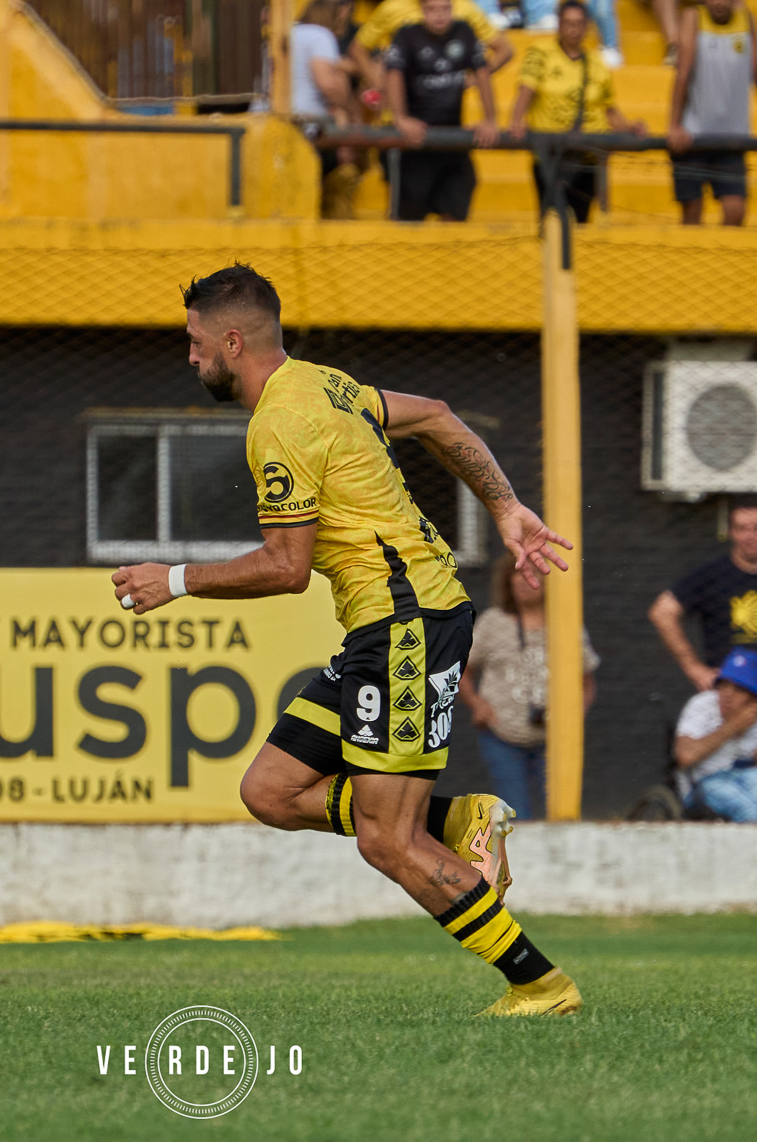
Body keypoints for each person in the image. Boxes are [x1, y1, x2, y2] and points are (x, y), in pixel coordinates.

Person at [112, 264, 583, 1017]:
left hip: (407, 624)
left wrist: (172, 582)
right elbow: (434, 413)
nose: (191, 356)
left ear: (232, 340)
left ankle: (539, 982)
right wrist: (505, 507)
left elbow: (286, 566)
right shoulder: (326, 384)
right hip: (390, 621)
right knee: (271, 789)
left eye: (196, 343)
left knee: (385, 839)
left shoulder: (279, 423)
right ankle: (459, 820)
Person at [648, 502, 757, 718]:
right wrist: (694, 668)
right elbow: (662, 611)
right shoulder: (712, 576)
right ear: (731, 533)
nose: (750, 536)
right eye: (742, 529)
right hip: (726, 701)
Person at [458, 565, 597, 821]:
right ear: (507, 583)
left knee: (561, 812)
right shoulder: (492, 623)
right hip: (501, 733)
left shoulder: (565, 622)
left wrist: (577, 715)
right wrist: (477, 704)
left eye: (532, 575)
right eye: (517, 576)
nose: (524, 582)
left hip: (555, 738)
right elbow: (462, 670)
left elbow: (586, 681)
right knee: (515, 812)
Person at [665, 0, 757, 226]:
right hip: (694, 134)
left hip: (732, 138)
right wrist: (674, 125)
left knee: (735, 211)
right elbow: (683, 74)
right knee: (692, 213)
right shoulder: (693, 18)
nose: (719, 1)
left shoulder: (747, 21)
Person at [509, 0, 647, 223]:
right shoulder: (540, 52)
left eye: (579, 24)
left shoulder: (596, 62)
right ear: (559, 25)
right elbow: (527, 89)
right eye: (568, 23)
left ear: (587, 27)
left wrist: (629, 126)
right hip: (550, 154)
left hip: (587, 155)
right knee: (551, 220)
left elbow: (608, 109)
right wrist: (517, 119)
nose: (573, 29)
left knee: (582, 222)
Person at [383, 0, 500, 222]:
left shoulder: (464, 31)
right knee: (409, 217)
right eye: (432, 9)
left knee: (458, 204)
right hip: (415, 142)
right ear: (422, 11)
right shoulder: (406, 35)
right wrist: (401, 118)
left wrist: (490, 120)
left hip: (452, 140)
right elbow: (393, 74)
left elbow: (482, 73)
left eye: (445, 8)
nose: (439, 15)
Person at [350, 0, 513, 93]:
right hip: (403, 103)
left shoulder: (465, 8)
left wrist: (471, 79)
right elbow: (358, 49)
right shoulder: (391, 8)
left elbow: (504, 50)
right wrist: (379, 84)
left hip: (446, 103)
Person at [672, 649, 757, 823]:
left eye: (738, 689)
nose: (727, 694)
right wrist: (732, 726)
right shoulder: (701, 705)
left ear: (755, 698)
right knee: (749, 809)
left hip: (747, 780)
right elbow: (684, 757)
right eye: (723, 685)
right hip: (703, 784)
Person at [290, 0, 364, 216]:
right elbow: (328, 84)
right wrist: (351, 111)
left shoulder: (287, 31)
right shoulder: (320, 35)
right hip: (307, 123)